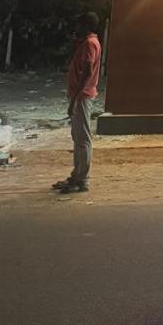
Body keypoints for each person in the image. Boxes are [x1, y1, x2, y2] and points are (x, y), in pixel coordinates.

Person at [54, 13, 102, 195]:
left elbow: (87, 70)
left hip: (82, 96)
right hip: (81, 95)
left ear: (85, 25)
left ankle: (82, 179)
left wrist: (74, 98)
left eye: (79, 24)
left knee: (82, 138)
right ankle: (77, 175)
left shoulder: (89, 44)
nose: (76, 28)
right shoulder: (89, 42)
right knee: (78, 137)